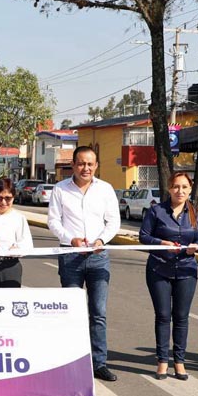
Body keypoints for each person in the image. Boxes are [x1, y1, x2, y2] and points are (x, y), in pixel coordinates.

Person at [47, 146, 121, 382]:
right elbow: (53, 222)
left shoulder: (106, 190)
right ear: (73, 165)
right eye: (80, 163)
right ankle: (71, 362)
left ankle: (99, 363)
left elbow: (113, 222)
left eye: (90, 164)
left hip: (98, 257)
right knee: (71, 311)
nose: (85, 168)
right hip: (71, 255)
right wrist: (71, 239)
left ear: (96, 165)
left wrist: (101, 240)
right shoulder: (60, 189)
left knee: (98, 313)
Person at [138, 172, 198, 381]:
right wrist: (161, 243)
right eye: (176, 186)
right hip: (159, 269)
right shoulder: (156, 211)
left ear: (190, 189)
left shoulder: (196, 213)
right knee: (163, 316)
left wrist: (196, 248)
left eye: (184, 187)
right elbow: (143, 236)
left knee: (182, 317)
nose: (180, 191)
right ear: (169, 188)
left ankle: (179, 362)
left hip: (186, 270)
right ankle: (162, 361)